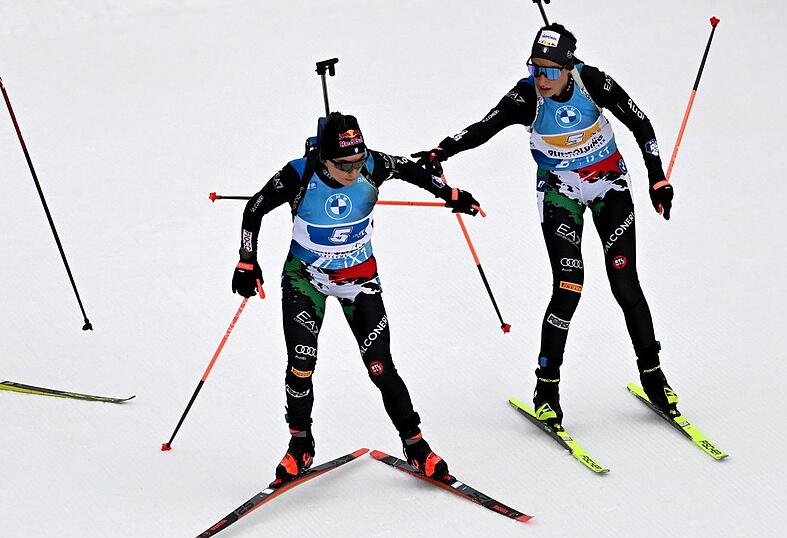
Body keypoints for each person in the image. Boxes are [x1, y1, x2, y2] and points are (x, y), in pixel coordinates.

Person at [413, 23, 680, 426]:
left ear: (569, 67)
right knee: (569, 285)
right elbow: (485, 126)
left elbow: (641, 124)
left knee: (624, 280)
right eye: (535, 68)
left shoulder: (593, 82)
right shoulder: (527, 96)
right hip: (560, 191)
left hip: (609, 184)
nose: (541, 78)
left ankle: (653, 374)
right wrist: (442, 150)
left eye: (550, 71)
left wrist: (656, 177)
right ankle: (547, 387)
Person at [231, 112, 480, 484]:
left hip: (359, 281)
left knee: (381, 366)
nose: (352, 171)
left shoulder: (373, 164)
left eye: (358, 161)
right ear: (324, 158)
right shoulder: (298, 174)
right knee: (301, 363)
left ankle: (415, 445)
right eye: (343, 164)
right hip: (306, 280)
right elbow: (254, 209)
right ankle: (300, 445)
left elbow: (412, 170)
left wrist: (449, 194)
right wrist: (247, 261)